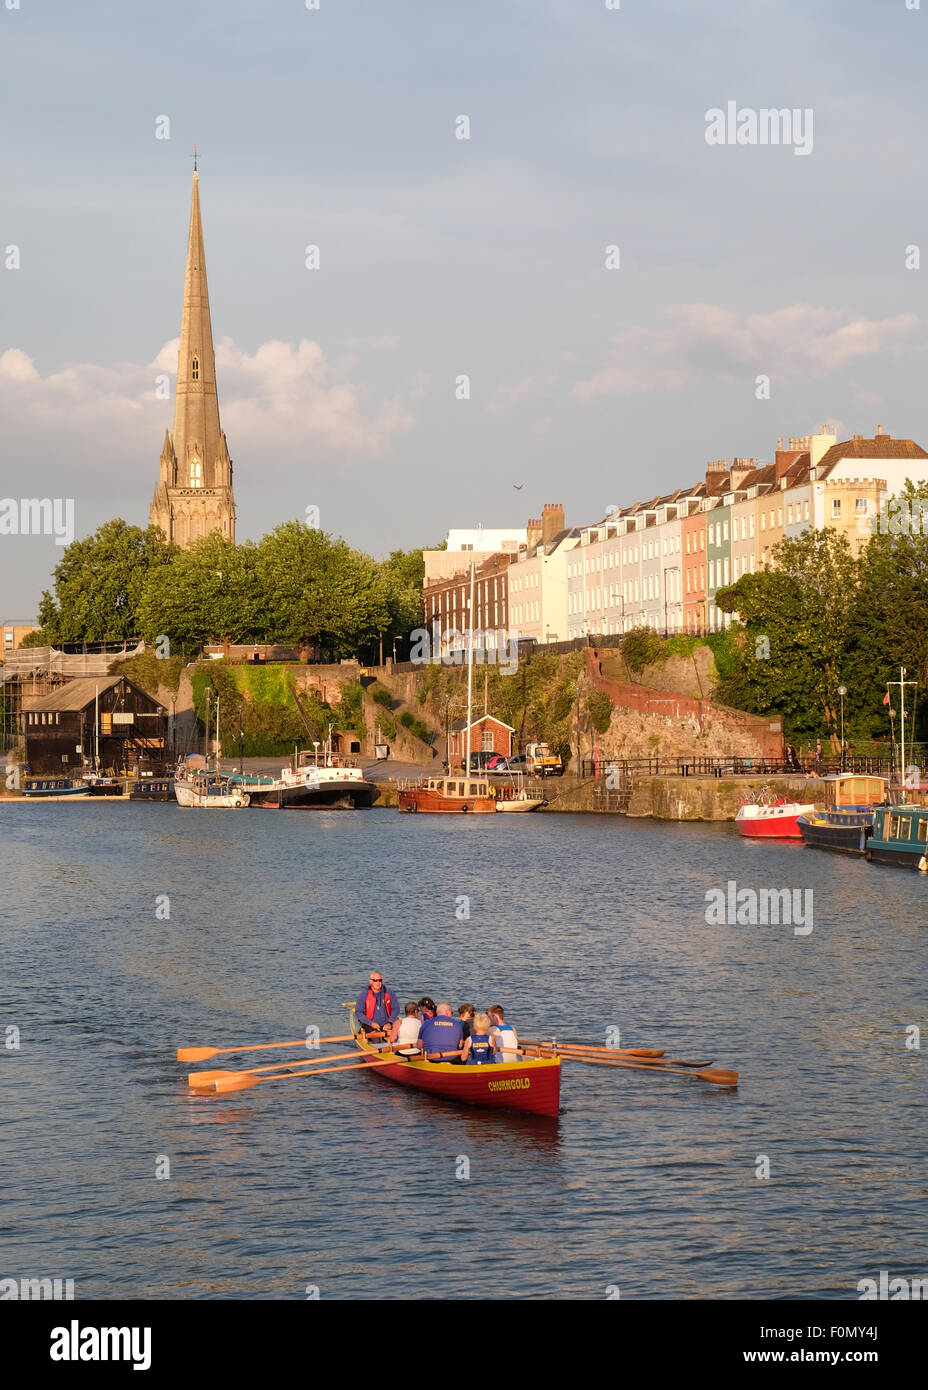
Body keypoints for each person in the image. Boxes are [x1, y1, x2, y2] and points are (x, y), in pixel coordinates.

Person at [355, 971, 398, 1040]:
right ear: (371, 981)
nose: (378, 983)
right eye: (375, 980)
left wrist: (390, 1022)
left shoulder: (389, 992)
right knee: (376, 1039)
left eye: (380, 980)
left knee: (393, 1038)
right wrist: (371, 1023)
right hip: (369, 1024)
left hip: (386, 1024)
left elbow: (396, 1009)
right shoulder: (363, 995)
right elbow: (358, 1012)